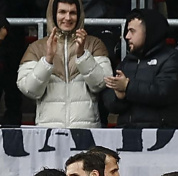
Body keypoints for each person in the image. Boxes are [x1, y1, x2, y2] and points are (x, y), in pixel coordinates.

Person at [17, 0, 113, 128]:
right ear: (53, 14)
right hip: (48, 133)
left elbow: (100, 84)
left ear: (79, 16)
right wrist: (48, 59)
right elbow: (30, 89)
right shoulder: (37, 47)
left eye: (72, 13)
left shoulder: (94, 44)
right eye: (62, 12)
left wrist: (82, 55)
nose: (68, 18)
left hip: (86, 131)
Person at [102, 8, 178, 128]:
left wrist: (128, 87)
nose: (127, 36)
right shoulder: (127, 62)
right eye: (127, 31)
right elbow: (111, 104)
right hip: (127, 136)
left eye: (132, 31)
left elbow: (164, 93)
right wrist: (119, 97)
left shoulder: (173, 59)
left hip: (163, 136)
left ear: (149, 32)